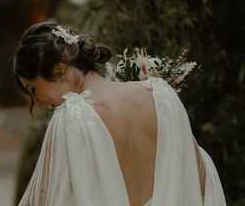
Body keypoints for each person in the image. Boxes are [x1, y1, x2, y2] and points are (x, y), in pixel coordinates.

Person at [13, 21, 226, 206]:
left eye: (32, 89)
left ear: (60, 70)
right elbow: (201, 178)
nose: (37, 102)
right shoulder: (162, 97)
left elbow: (39, 200)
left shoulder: (71, 118)